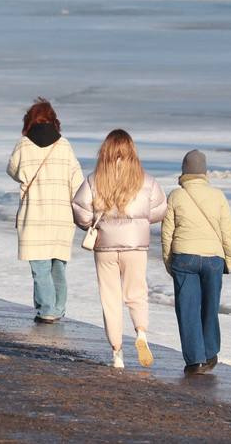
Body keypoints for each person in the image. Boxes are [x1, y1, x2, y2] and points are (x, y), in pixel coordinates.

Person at [73, 129, 166, 369]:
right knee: (136, 293)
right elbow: (159, 209)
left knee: (110, 298)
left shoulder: (95, 179)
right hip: (135, 246)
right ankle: (141, 332)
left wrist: (92, 223)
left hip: (105, 245)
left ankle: (117, 352)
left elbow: (80, 209)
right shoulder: (146, 180)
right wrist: (139, 223)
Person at [6, 98, 84, 324]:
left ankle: (47, 309)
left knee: (40, 267)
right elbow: (77, 181)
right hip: (61, 216)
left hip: (35, 215)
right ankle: (58, 308)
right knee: (58, 266)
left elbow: (13, 171)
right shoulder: (64, 146)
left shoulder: (24, 145)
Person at [161, 149, 231, 375]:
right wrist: (229, 260)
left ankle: (195, 360)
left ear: (184, 171)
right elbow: (227, 231)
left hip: (184, 256)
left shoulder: (176, 195)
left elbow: (167, 233)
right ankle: (210, 352)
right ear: (204, 172)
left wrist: (168, 260)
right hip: (214, 258)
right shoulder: (218, 196)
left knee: (188, 308)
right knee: (210, 307)